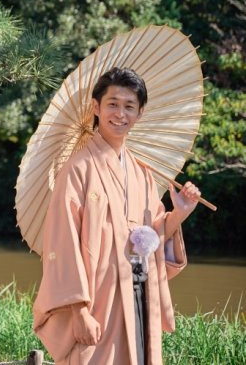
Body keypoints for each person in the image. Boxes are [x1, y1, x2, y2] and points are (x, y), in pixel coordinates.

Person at [32, 67, 202, 365]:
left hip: (139, 290)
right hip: (98, 298)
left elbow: (151, 236)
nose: (120, 114)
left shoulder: (142, 173)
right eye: (112, 104)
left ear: (140, 113)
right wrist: (79, 311)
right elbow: (63, 243)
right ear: (96, 107)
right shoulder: (77, 169)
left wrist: (179, 213)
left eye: (129, 106)